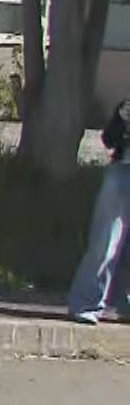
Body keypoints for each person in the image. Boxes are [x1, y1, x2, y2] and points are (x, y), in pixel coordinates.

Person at [68, 99, 130, 324]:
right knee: (106, 242)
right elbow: (108, 140)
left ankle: (123, 303)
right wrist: (122, 122)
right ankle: (86, 303)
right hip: (122, 175)